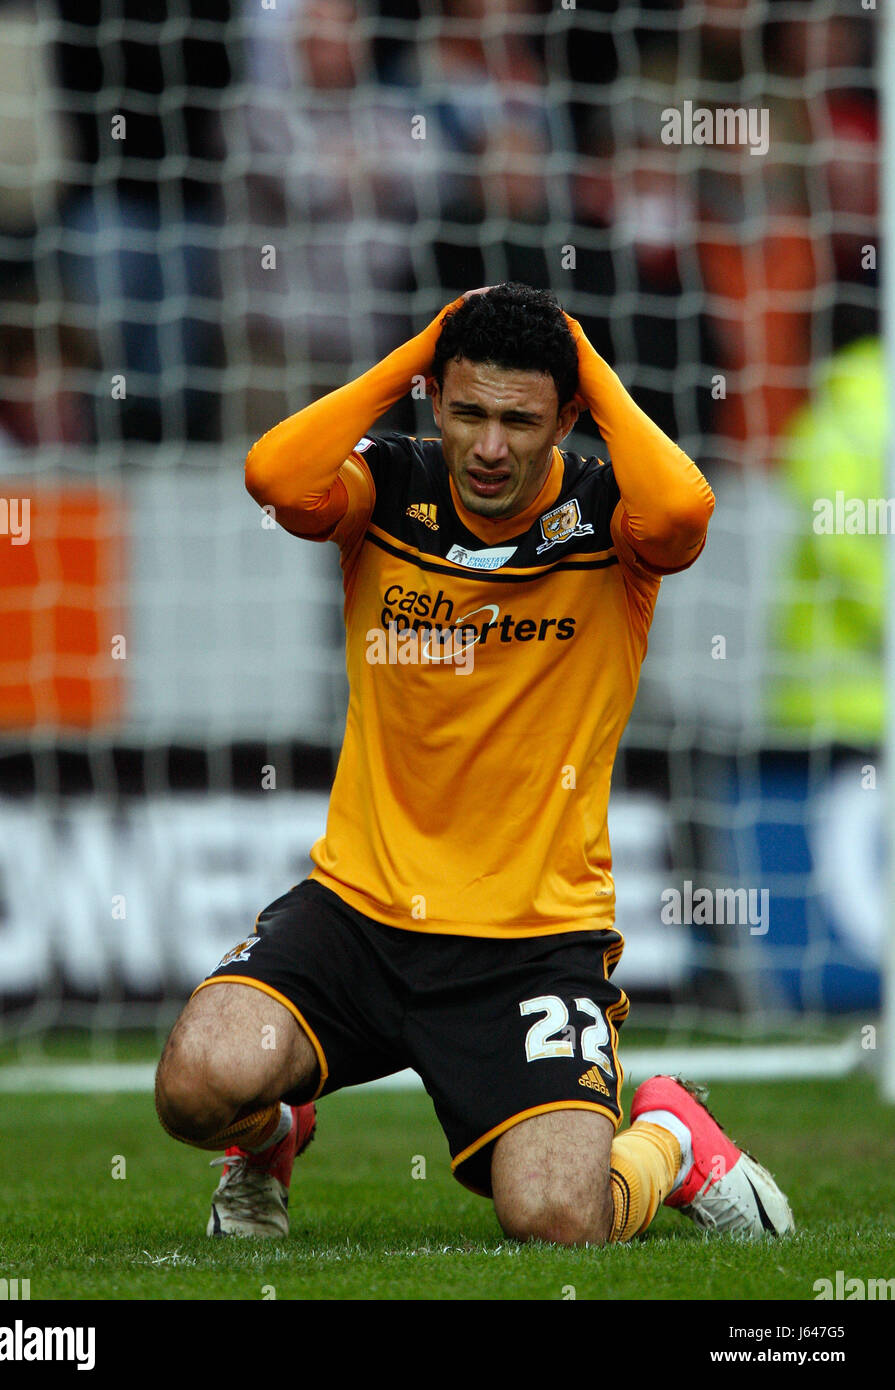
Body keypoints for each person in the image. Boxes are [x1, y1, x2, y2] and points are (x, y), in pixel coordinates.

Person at [154, 283, 794, 1245]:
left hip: (530, 938)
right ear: (433, 401)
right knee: (195, 1086)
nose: (490, 447)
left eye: (520, 420)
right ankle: (274, 1137)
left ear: (566, 417)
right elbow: (275, 478)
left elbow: (683, 513)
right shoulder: (384, 489)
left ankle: (668, 1136)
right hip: (360, 914)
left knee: (553, 1221)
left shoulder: (609, 516)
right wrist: (420, 349)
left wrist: (586, 362)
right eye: (467, 412)